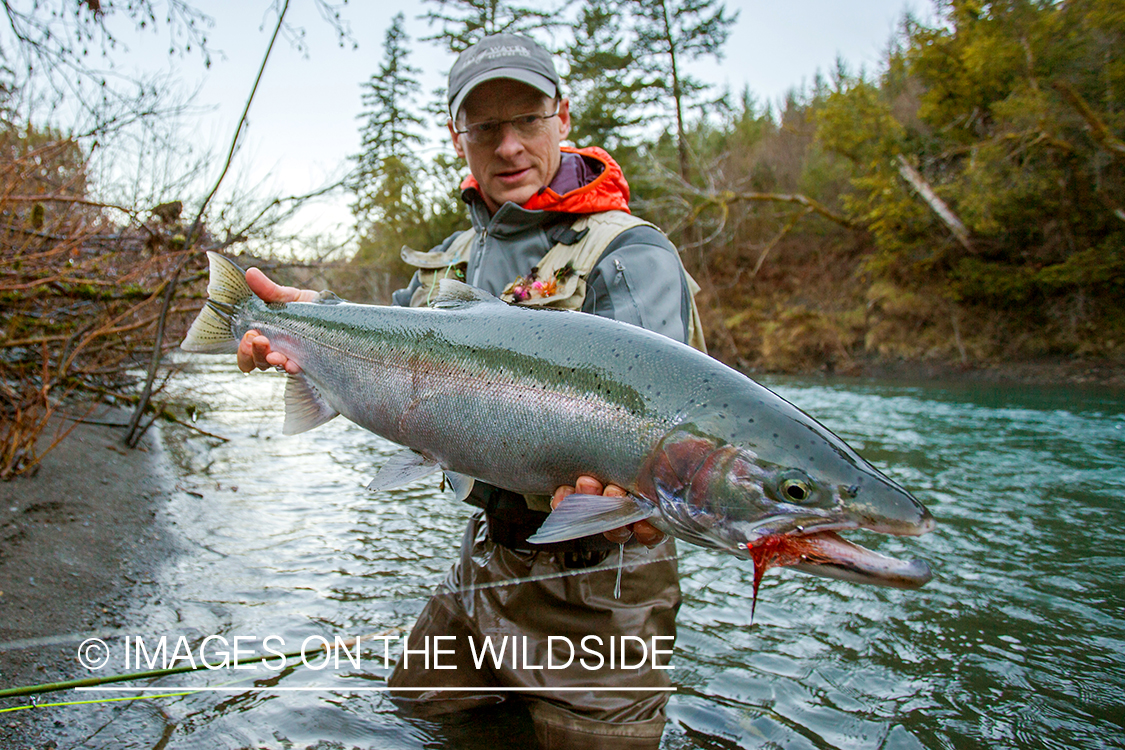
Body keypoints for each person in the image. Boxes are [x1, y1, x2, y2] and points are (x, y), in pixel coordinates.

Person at [237, 34, 705, 749]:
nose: (509, 145)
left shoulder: (629, 253)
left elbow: (661, 426)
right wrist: (303, 326)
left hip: (602, 587)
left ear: (563, 117)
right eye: (485, 127)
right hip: (485, 558)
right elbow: (382, 349)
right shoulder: (454, 259)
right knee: (420, 717)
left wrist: (636, 501)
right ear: (458, 139)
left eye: (527, 120)